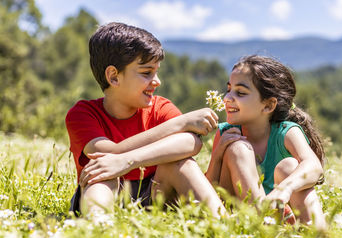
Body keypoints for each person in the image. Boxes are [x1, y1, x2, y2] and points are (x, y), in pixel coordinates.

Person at [65, 22, 225, 217]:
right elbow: (109, 153)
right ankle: (99, 230)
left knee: (181, 164)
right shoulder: (83, 114)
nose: (157, 81)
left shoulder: (161, 107)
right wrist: (180, 123)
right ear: (113, 77)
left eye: (156, 72)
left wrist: (127, 161)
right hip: (104, 195)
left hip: (154, 196)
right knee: (102, 174)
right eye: (146, 73)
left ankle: (222, 224)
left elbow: (191, 142)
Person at [205, 55, 326, 228]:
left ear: (268, 106)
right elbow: (207, 191)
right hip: (240, 221)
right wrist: (218, 155)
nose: (227, 98)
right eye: (228, 90)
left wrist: (283, 190)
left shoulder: (286, 132)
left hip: (282, 216)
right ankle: (261, 226)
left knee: (290, 166)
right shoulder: (225, 133)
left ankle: (316, 237)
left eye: (240, 93)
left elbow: (314, 167)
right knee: (237, 148)